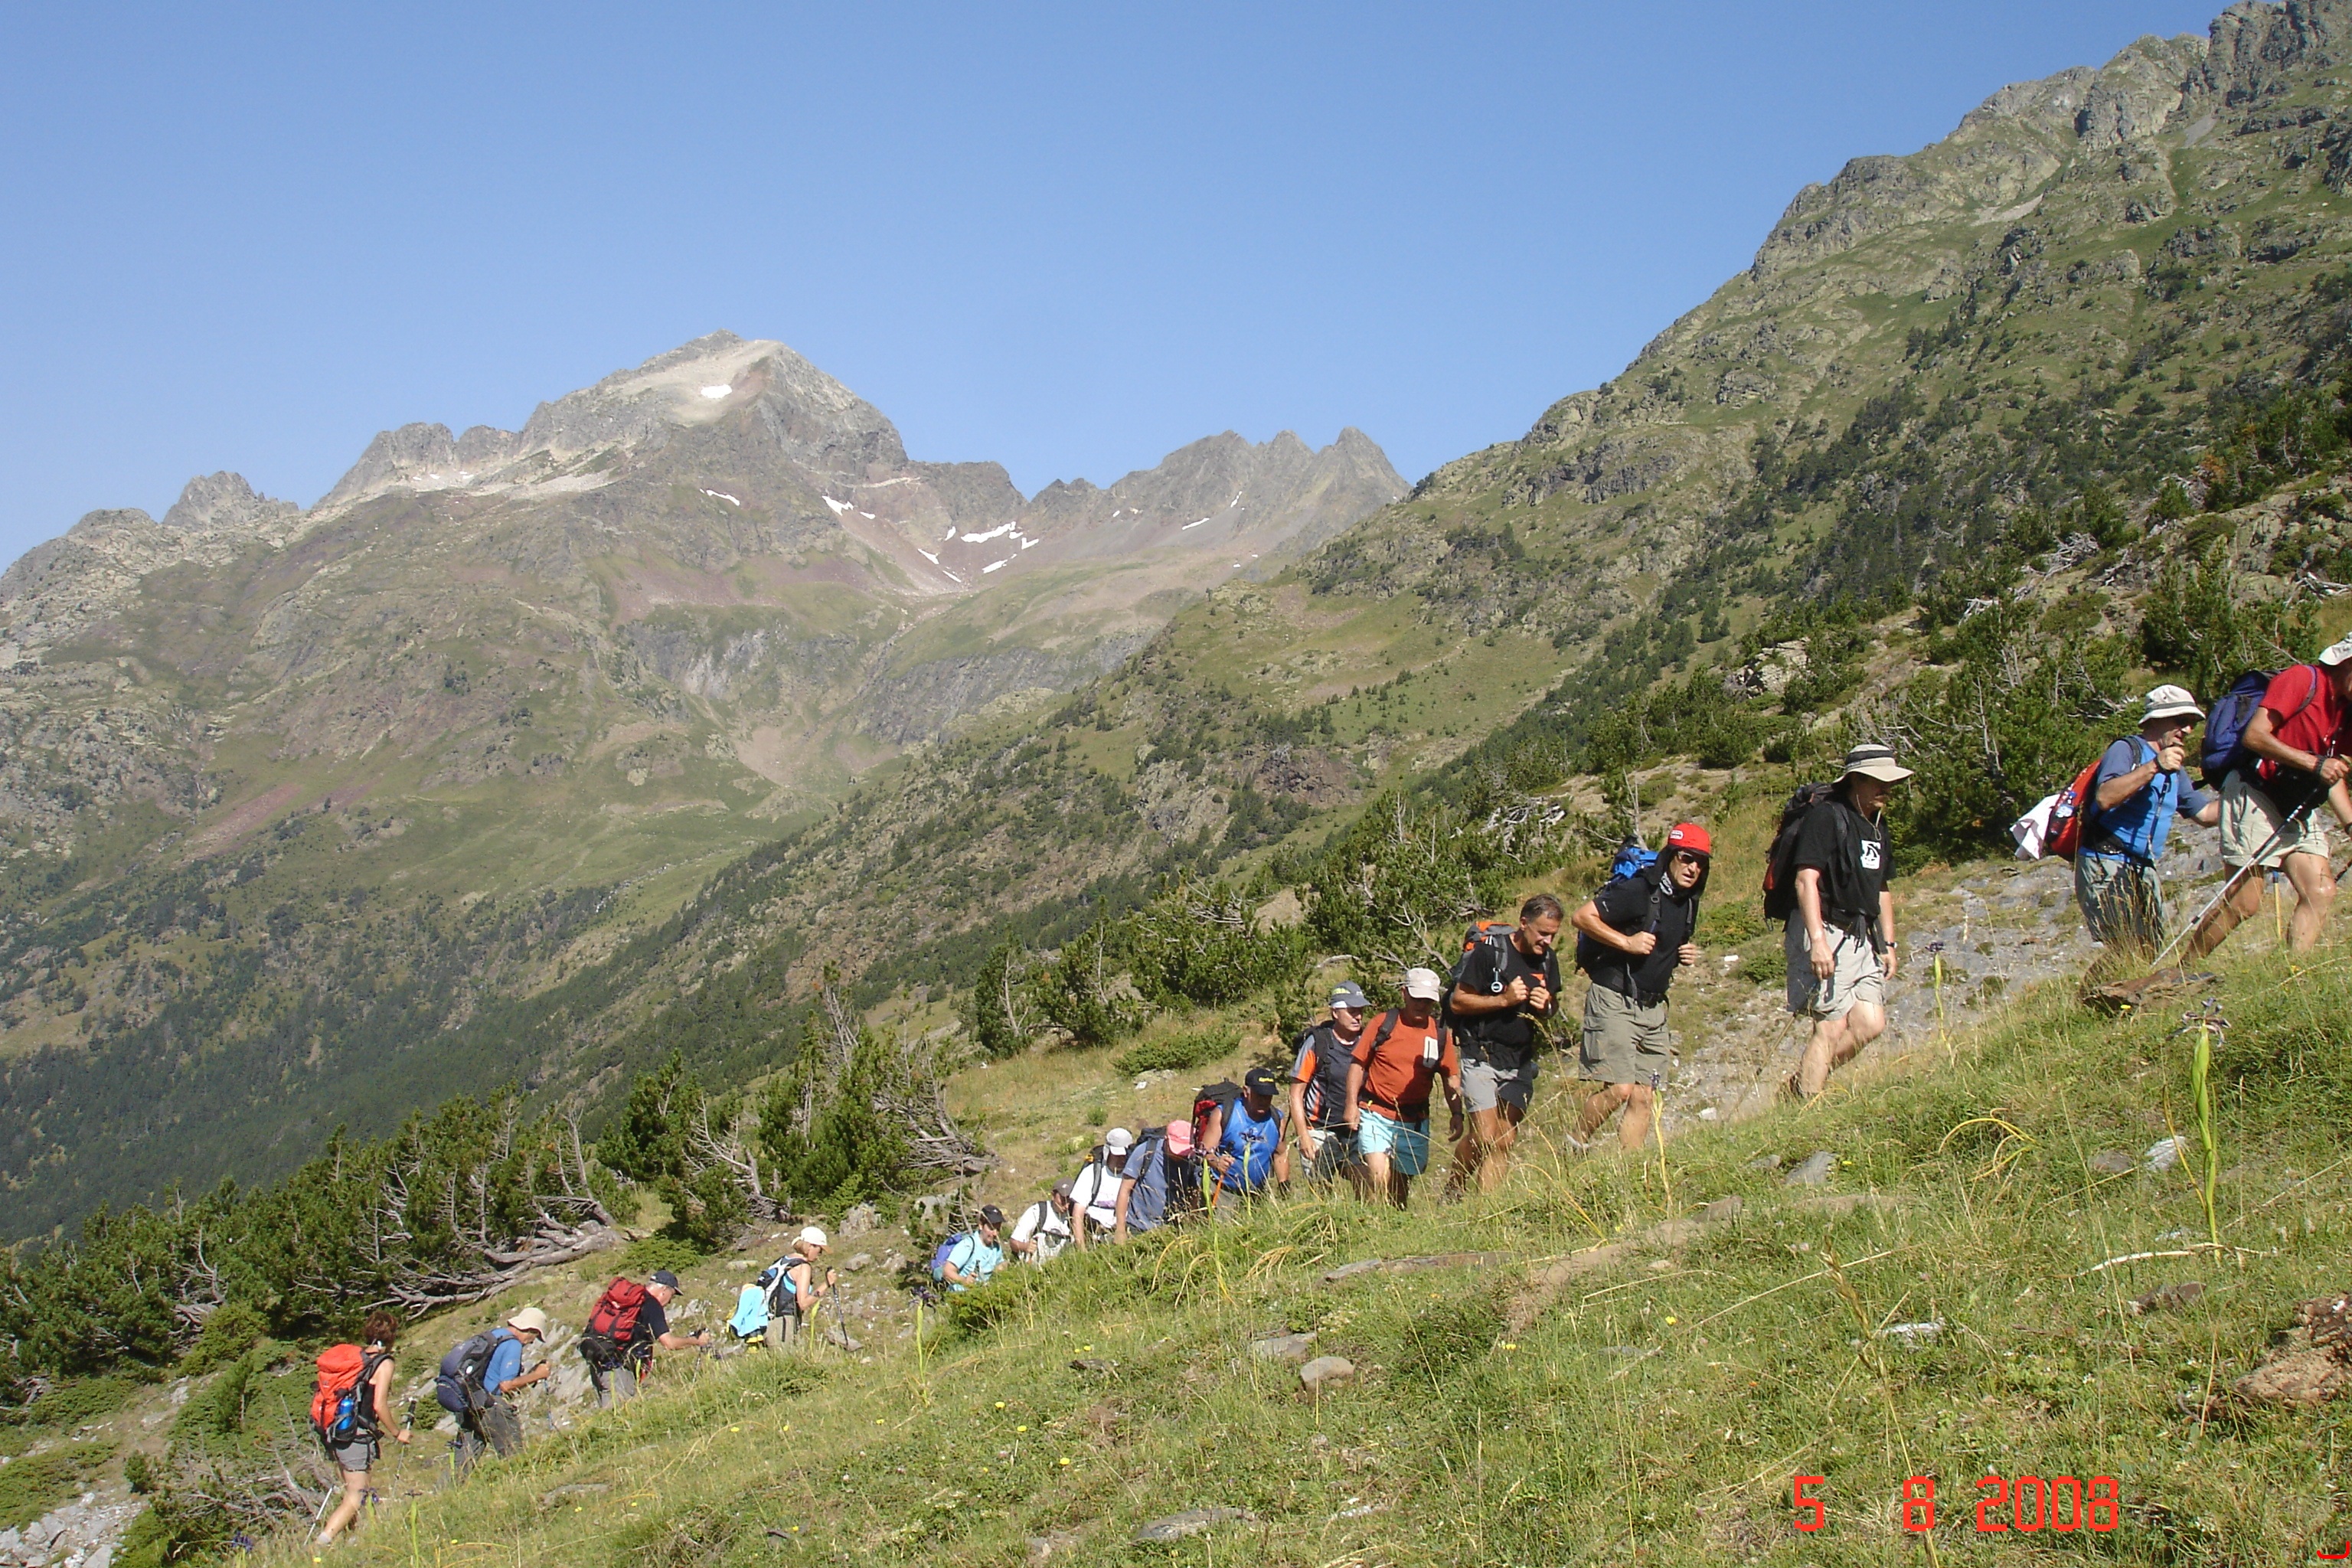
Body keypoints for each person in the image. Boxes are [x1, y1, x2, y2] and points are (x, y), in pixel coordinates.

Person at [2187, 639, 2352, 959]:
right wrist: (2314, 763)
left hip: (2296, 803)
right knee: (2244, 902)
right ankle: (2184, 970)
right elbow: (2255, 736)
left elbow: (2333, 773)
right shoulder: (2302, 679)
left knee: (2320, 891)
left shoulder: (2346, 712)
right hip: (2255, 791)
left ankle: (2292, 974)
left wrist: (2349, 823)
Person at [1570, 822, 1709, 1152]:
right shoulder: (1638, 890)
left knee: (1645, 1094)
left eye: (1701, 863)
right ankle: (1572, 1144)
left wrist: (1684, 953)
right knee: (1620, 1089)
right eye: (1687, 858)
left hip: (1655, 1009)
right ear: (1671, 856)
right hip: (1615, 999)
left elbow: (1667, 943)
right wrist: (1626, 943)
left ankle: (1631, 1170)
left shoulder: (1689, 902)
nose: (1693, 868)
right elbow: (1582, 917)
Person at [1785, 744, 1908, 1100]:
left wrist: (1888, 944)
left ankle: (1799, 1084)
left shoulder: (1877, 825)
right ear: (1856, 780)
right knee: (1831, 1026)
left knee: (1870, 1023)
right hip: (1826, 928)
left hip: (1862, 935)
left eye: (1890, 782)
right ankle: (1807, 1105)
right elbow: (1805, 880)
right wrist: (1818, 941)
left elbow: (1881, 888)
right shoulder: (1826, 817)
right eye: (1878, 781)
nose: (1886, 788)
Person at [2074, 686, 2220, 955]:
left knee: (2149, 950)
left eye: (2192, 724)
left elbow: (2205, 814)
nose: (2188, 730)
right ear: (2156, 720)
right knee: (2125, 949)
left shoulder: (2175, 768)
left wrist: (2245, 797)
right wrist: (2154, 767)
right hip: (2106, 860)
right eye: (2181, 721)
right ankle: (2105, 985)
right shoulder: (2126, 750)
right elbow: (2105, 797)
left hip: (2144, 868)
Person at [1447, 893, 1565, 1195]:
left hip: (1520, 1061)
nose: (1547, 941)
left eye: (1553, 935)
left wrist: (1547, 1005)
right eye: (1542, 933)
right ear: (1524, 923)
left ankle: (1488, 1207)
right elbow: (1458, 1002)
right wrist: (1504, 1000)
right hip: (1481, 1055)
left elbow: (1552, 1007)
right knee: (1485, 1136)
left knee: (1504, 1139)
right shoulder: (1490, 953)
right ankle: (1455, 1186)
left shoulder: (1548, 960)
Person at [1344, 970, 1464, 1207]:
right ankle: (1371, 1218)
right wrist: (1351, 1105)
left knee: (1400, 1188)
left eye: (1427, 1000)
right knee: (1378, 1174)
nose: (1422, 1005)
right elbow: (1358, 1064)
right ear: (1405, 994)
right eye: (1417, 998)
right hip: (1376, 1112)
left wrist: (1457, 1113)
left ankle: (1394, 1220)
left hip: (1414, 1120)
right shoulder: (1383, 1024)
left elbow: (1450, 1076)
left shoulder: (1439, 1034)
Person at [317, 1312, 411, 1546]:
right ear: (391, 1336)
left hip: (336, 1431)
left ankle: (354, 1541)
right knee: (357, 1495)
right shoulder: (384, 1363)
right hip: (356, 1435)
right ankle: (320, 1545)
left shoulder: (357, 1359)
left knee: (355, 1490)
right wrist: (397, 1432)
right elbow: (379, 1405)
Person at [586, 1269, 710, 1406]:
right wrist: (696, 1341)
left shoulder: (628, 1299)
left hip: (597, 1359)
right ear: (664, 1290)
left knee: (608, 1409)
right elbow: (669, 1344)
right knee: (620, 1412)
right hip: (619, 1369)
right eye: (672, 1295)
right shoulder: (652, 1305)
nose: (670, 1301)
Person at [1291, 983, 1370, 1194]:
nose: (1358, 1017)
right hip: (1319, 1130)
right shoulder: (1318, 1043)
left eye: (1361, 1011)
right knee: (1321, 1193)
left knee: (1367, 1186)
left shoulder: (1367, 1041)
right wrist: (1304, 1136)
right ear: (1335, 1012)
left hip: (1355, 1130)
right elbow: (1296, 1093)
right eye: (1352, 1011)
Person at [456, 1308, 550, 1469]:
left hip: (472, 1404)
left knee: (461, 1466)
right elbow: (507, 1385)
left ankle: (448, 1485)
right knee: (516, 1459)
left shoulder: (495, 1334)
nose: (532, 1342)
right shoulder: (513, 1344)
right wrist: (538, 1375)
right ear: (531, 1330)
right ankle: (520, 1482)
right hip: (492, 1407)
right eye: (535, 1336)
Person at [1200, 1066, 1290, 1214]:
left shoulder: (1277, 1119)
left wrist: (1284, 1184)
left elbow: (1280, 1154)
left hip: (1258, 1193)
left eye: (1268, 1096)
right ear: (1246, 1091)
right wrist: (1217, 1162)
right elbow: (1205, 1151)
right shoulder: (1224, 1113)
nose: (1264, 1101)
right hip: (1223, 1192)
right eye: (1259, 1095)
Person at [1112, 1120, 1199, 1241]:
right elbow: (1125, 1190)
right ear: (1166, 1140)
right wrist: (1120, 1230)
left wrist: (1191, 1225)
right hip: (1138, 1227)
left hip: (1171, 1230)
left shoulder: (1191, 1160)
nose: (1179, 1155)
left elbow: (1194, 1194)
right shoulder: (1145, 1152)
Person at [766, 1227, 836, 1346]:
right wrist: (827, 1284)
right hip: (785, 1325)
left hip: (770, 1322)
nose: (820, 1255)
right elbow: (803, 1303)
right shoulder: (803, 1267)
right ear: (810, 1246)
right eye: (819, 1250)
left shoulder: (785, 1260)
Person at [1068, 1128, 1133, 1249]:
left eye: (1125, 1156)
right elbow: (1077, 1214)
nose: (1122, 1159)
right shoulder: (1092, 1173)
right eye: (1117, 1156)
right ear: (1108, 1152)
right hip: (1094, 1238)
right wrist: (1082, 1249)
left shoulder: (1132, 1175)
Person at [939, 1206, 1008, 1291]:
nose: (995, 1233)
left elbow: (1000, 1264)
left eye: (998, 1229)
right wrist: (964, 1281)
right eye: (991, 1228)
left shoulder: (996, 1248)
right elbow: (947, 1271)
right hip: (961, 1294)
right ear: (981, 1225)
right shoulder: (968, 1245)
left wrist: (1002, 1267)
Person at [1009, 1183, 1077, 1264]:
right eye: (1063, 1200)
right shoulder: (1038, 1211)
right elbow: (1013, 1242)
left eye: (1069, 1201)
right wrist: (1026, 1247)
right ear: (1053, 1196)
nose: (1067, 1206)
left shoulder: (1074, 1216)